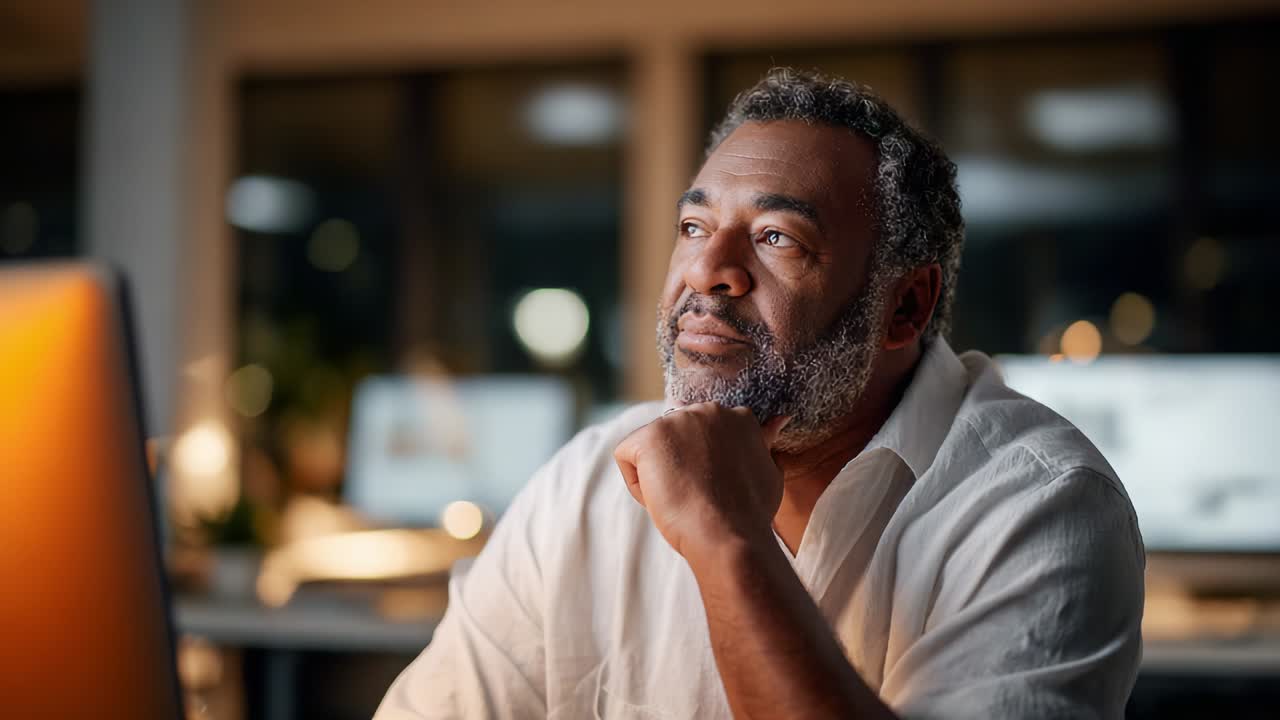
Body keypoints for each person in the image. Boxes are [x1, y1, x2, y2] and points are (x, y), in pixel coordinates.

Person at [375, 67, 1144, 720]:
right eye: (693, 225)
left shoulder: (1043, 506)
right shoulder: (585, 484)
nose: (709, 270)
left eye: (777, 237)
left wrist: (722, 539)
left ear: (905, 307)